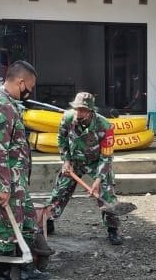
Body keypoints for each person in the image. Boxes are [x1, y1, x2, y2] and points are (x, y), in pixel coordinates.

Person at [0, 60, 53, 280]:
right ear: (21, 82)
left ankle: (26, 269)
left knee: (26, 223)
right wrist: (2, 186)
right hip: (8, 183)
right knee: (4, 230)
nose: (30, 92)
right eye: (29, 87)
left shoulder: (9, 105)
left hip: (17, 181)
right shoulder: (2, 106)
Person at [45, 92, 124, 245]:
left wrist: (98, 179)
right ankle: (48, 222)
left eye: (82, 110)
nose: (78, 112)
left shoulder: (104, 126)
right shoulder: (67, 119)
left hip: (96, 162)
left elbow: (107, 156)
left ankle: (112, 230)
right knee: (60, 190)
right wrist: (66, 160)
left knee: (107, 194)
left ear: (91, 111)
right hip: (75, 160)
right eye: (76, 108)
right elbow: (61, 138)